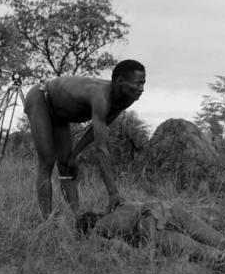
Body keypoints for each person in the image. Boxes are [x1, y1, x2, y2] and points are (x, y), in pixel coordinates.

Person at [24, 59, 146, 219]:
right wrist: (113, 193)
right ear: (120, 81)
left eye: (143, 84)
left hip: (60, 114)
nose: (141, 89)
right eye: (138, 84)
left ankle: (78, 218)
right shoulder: (101, 96)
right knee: (47, 160)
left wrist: (75, 154)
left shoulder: (126, 98)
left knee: (66, 165)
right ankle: (47, 221)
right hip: (41, 97)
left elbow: (96, 130)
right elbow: (101, 149)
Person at [76, 200, 225, 272]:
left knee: (202, 252)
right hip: (166, 208)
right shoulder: (121, 205)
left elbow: (121, 248)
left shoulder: (101, 226)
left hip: (149, 223)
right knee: (221, 241)